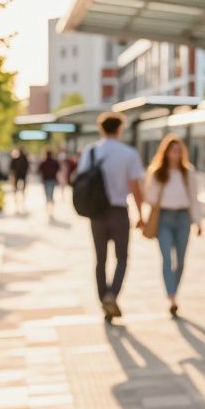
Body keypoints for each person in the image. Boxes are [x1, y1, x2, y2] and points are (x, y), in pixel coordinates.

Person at [73, 113, 146, 322]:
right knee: (122, 257)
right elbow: (135, 188)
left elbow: (81, 179)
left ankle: (103, 298)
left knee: (100, 259)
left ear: (101, 128)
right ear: (120, 128)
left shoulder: (91, 151)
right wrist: (141, 214)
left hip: (96, 213)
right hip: (119, 211)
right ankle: (112, 294)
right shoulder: (128, 153)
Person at [143, 134, 203, 317]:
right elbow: (150, 197)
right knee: (167, 259)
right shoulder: (158, 172)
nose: (176, 154)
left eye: (179, 151)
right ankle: (171, 296)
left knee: (181, 259)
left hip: (183, 217)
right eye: (173, 150)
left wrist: (199, 222)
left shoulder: (188, 172)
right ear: (166, 152)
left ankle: (174, 290)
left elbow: (194, 198)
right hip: (164, 218)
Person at [36, 149, 60, 214]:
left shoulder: (43, 162)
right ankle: (51, 208)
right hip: (52, 180)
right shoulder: (54, 162)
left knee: (47, 194)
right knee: (51, 194)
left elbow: (38, 171)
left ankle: (48, 208)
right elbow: (58, 169)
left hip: (46, 180)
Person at [9, 148, 30, 213]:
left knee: (16, 190)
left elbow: (11, 168)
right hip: (21, 176)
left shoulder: (16, 159)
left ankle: (18, 203)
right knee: (22, 190)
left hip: (17, 176)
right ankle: (20, 203)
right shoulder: (23, 159)